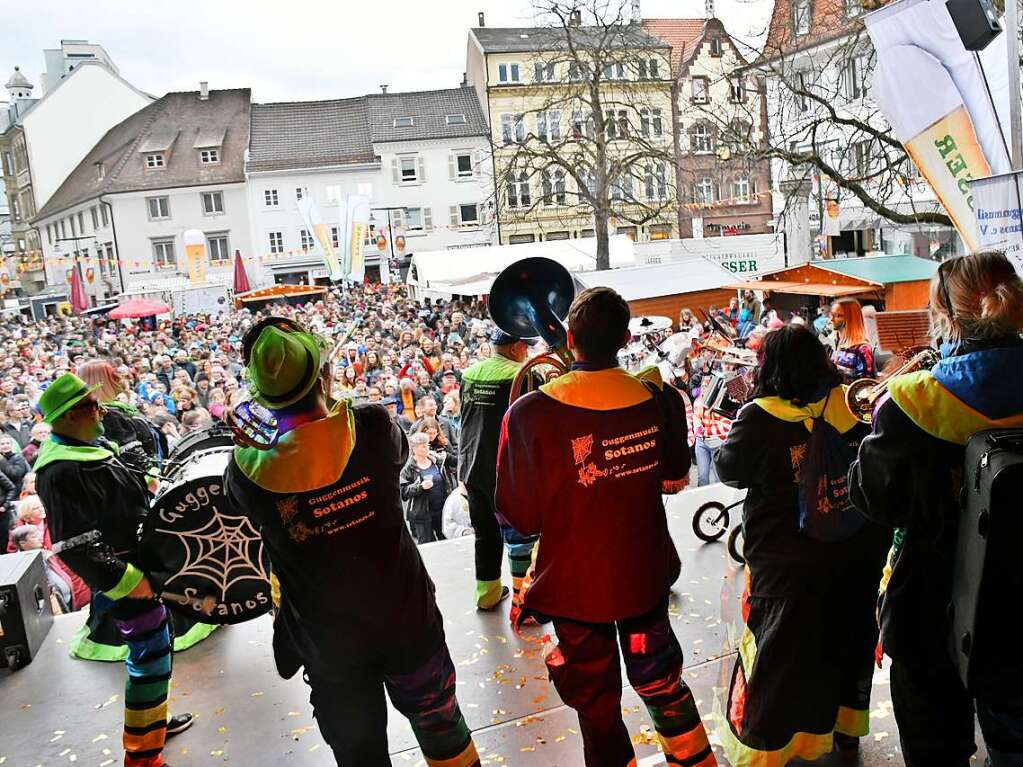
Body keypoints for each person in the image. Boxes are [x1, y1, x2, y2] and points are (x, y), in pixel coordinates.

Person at [223, 325, 479, 766]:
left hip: (329, 645)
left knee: (359, 755)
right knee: (442, 729)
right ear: (322, 376)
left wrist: (254, 438)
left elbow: (237, 498)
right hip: (407, 620)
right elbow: (386, 446)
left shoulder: (247, 469)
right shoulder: (374, 426)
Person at [495, 287, 714, 767]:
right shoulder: (660, 398)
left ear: (569, 338)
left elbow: (520, 518)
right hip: (644, 572)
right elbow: (675, 480)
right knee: (661, 681)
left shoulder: (527, 412)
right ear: (626, 338)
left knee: (595, 702)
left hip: (575, 590)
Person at [849, 251, 1023, 766]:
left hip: (931, 607)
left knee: (934, 750)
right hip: (1018, 609)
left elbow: (872, 498)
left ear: (947, 318)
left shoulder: (911, 400)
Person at [715, 324, 888, 764]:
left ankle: (767, 749)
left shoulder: (758, 416)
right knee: (847, 641)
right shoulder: (850, 401)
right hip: (854, 551)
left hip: (785, 564)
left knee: (776, 655)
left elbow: (730, 470)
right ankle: (845, 732)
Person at [34, 373, 194, 767]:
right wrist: (130, 582)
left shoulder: (87, 447)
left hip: (140, 571)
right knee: (148, 660)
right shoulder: (60, 470)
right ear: (68, 417)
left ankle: (153, 724)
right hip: (129, 581)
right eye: (92, 407)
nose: (101, 411)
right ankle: (142, 755)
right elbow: (76, 546)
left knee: (155, 656)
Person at [458, 328, 536, 613]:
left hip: (472, 466)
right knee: (520, 535)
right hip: (507, 469)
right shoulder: (525, 373)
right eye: (526, 347)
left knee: (485, 534)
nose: (527, 353)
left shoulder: (469, 374)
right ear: (517, 348)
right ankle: (523, 601)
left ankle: (487, 595)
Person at [400, 432, 449, 544]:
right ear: (415, 449)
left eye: (427, 445)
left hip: (441, 509)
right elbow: (403, 492)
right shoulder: (408, 468)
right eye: (423, 446)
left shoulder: (437, 462)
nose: (426, 448)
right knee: (427, 543)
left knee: (445, 540)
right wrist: (420, 487)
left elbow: (447, 481)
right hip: (422, 513)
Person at [830, 298, 875, 383]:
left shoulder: (862, 349)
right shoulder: (837, 343)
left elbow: (866, 384)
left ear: (851, 319)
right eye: (832, 315)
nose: (832, 319)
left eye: (838, 315)